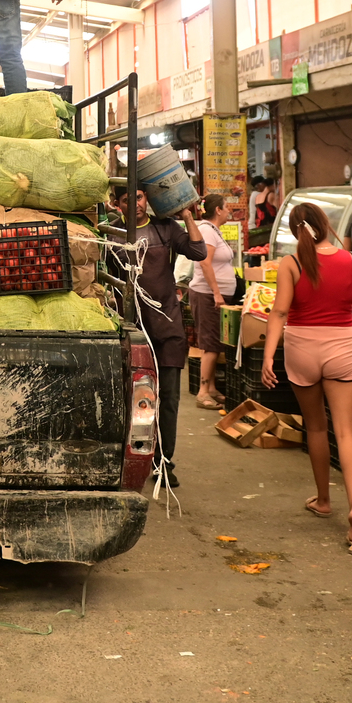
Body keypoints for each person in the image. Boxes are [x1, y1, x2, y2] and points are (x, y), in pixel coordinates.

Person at [261, 203, 352, 553]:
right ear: (326, 224)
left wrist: (268, 356)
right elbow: (348, 298)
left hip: (301, 348)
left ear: (295, 232)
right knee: (346, 431)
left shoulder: (290, 265)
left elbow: (279, 311)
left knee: (316, 427)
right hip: (341, 346)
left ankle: (324, 500)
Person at [127, 188, 206, 488]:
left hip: (169, 327)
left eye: (138, 197)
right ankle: (136, 458)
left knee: (169, 399)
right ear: (117, 203)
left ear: (147, 199)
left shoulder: (166, 229)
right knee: (137, 400)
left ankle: (163, 462)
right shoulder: (114, 234)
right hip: (135, 329)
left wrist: (186, 214)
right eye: (126, 199)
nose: (134, 204)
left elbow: (199, 252)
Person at [187, 193, 240, 410]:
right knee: (209, 343)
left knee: (216, 343)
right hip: (208, 295)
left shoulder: (213, 230)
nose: (229, 210)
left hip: (216, 295)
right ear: (217, 210)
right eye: (226, 207)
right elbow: (205, 263)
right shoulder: (207, 231)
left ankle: (211, 388)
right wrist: (217, 292)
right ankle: (202, 391)